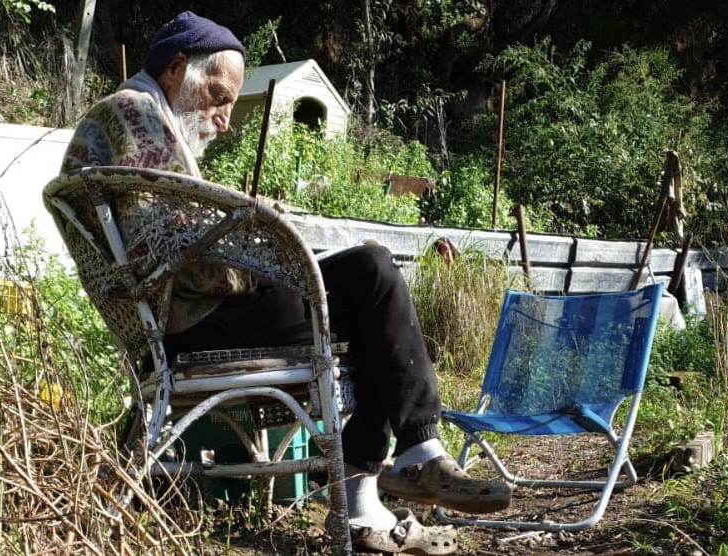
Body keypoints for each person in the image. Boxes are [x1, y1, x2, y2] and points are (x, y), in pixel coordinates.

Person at [61, 11, 511, 554]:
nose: (225, 119)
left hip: (173, 318)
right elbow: (178, 249)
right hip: (191, 322)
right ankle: (411, 461)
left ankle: (370, 507)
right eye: (220, 96)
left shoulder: (126, 120)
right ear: (177, 67)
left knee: (362, 296)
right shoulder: (135, 114)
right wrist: (262, 243)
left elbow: (171, 235)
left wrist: (249, 234)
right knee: (371, 272)